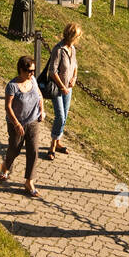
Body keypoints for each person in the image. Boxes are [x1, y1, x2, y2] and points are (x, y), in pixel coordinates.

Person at [0, 54, 44, 198]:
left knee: (33, 151)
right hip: (16, 124)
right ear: (21, 70)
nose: (32, 74)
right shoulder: (12, 86)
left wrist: (42, 111)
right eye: (29, 71)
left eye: (33, 71)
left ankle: (29, 182)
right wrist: (16, 124)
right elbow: (8, 107)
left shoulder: (33, 81)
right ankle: (6, 167)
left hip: (33, 122)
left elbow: (39, 95)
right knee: (14, 149)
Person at [45, 22, 81, 160]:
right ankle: (52, 146)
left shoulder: (72, 49)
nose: (78, 38)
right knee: (60, 116)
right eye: (77, 36)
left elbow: (75, 65)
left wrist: (74, 78)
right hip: (57, 89)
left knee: (64, 117)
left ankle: (58, 141)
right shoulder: (58, 50)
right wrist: (62, 86)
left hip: (68, 89)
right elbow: (52, 71)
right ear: (72, 36)